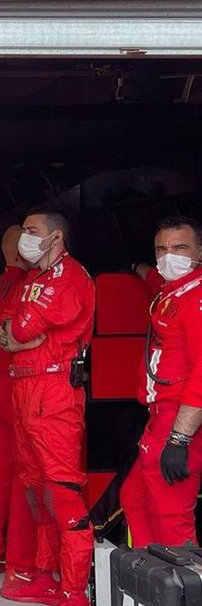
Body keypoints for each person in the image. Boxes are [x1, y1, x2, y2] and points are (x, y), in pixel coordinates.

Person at [0, 207, 96, 606]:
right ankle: (47, 576)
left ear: (55, 237)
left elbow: (20, 330)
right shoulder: (32, 281)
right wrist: (16, 335)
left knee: (63, 494)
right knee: (36, 491)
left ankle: (77, 601)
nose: (24, 238)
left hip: (54, 394)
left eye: (33, 232)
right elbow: (5, 333)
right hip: (23, 389)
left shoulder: (71, 277)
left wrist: (17, 334)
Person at [121, 216, 202, 546]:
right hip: (159, 417)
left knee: (172, 518)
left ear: (199, 251)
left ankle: (183, 594)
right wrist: (134, 265)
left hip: (181, 417)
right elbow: (153, 277)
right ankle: (151, 587)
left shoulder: (195, 299)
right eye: (162, 249)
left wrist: (179, 440)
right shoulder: (172, 290)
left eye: (180, 248)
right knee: (134, 497)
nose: (170, 256)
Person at [0, 226, 39, 579]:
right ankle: (20, 563)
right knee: (22, 473)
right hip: (17, 382)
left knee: (1, 469)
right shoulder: (25, 285)